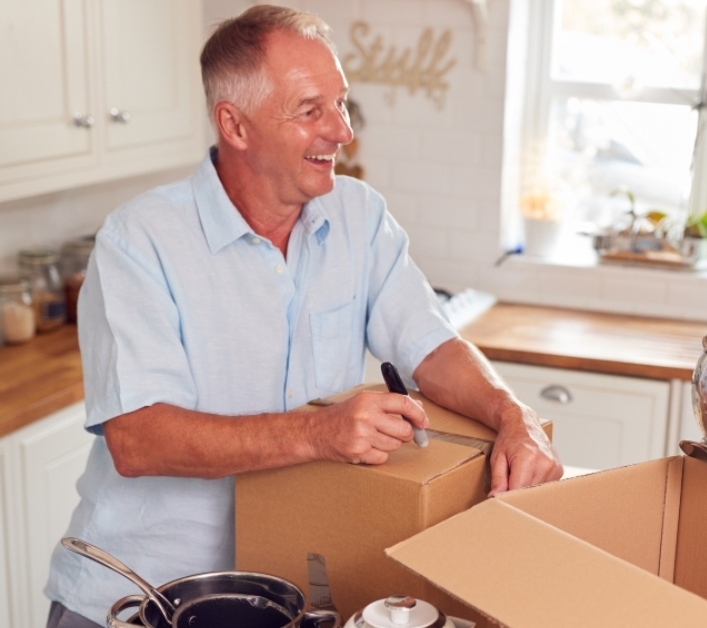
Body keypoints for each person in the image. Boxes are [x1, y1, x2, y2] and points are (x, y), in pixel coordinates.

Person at [43, 6, 562, 626]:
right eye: (311, 110)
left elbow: (429, 343)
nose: (342, 131)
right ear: (234, 125)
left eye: (341, 104)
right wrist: (318, 432)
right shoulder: (139, 241)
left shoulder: (359, 217)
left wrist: (516, 417)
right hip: (141, 596)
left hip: (284, 593)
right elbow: (137, 439)